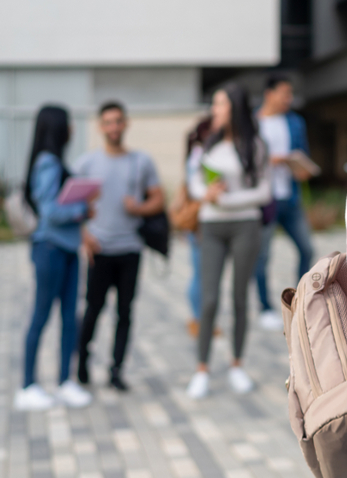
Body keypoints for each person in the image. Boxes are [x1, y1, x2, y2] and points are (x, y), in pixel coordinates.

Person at [187, 82, 271, 399]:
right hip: (211, 228)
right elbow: (194, 182)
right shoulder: (207, 145)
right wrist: (205, 195)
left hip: (244, 226)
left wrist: (226, 201)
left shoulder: (256, 146)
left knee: (239, 298)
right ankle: (201, 369)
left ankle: (237, 364)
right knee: (208, 300)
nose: (214, 110)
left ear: (234, 108)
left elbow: (263, 192)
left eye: (220, 104)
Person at [73, 101, 164, 392]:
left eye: (118, 121)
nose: (113, 127)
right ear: (101, 127)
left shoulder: (141, 161)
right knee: (93, 309)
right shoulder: (86, 164)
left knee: (125, 312)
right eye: (108, 122)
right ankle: (83, 360)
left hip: (130, 249)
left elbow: (158, 200)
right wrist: (84, 235)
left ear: (126, 124)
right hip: (100, 249)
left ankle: (116, 370)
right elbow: (71, 204)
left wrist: (139, 208)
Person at [18, 104, 96, 412]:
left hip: (67, 249)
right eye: (70, 122)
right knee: (41, 316)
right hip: (50, 249)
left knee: (68, 319)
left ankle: (66, 382)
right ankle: (27, 386)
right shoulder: (47, 163)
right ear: (58, 127)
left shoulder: (54, 161)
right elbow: (49, 211)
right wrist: (82, 211)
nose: (73, 128)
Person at [254, 72, 316, 331]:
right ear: (269, 94)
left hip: (290, 197)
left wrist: (301, 167)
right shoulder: (253, 123)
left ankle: (300, 302)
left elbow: (303, 153)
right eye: (284, 93)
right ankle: (265, 308)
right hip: (264, 199)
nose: (288, 99)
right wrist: (274, 160)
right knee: (263, 256)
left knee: (306, 249)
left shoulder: (295, 122)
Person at [183, 114, 213, 337]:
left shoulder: (199, 154)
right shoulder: (199, 155)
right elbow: (195, 191)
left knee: (205, 274)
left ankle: (203, 319)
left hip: (205, 220)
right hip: (199, 222)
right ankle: (196, 319)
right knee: (199, 274)